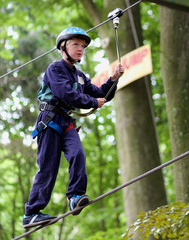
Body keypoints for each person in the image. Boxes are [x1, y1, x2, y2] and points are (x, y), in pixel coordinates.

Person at [23, 27, 124, 228]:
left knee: (78, 155)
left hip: (67, 122)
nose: (80, 49)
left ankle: (75, 196)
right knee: (48, 168)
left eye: (83, 46)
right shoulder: (55, 69)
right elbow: (65, 94)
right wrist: (93, 102)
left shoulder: (80, 76)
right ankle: (32, 212)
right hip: (49, 120)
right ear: (63, 47)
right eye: (75, 44)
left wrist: (113, 79)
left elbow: (99, 93)